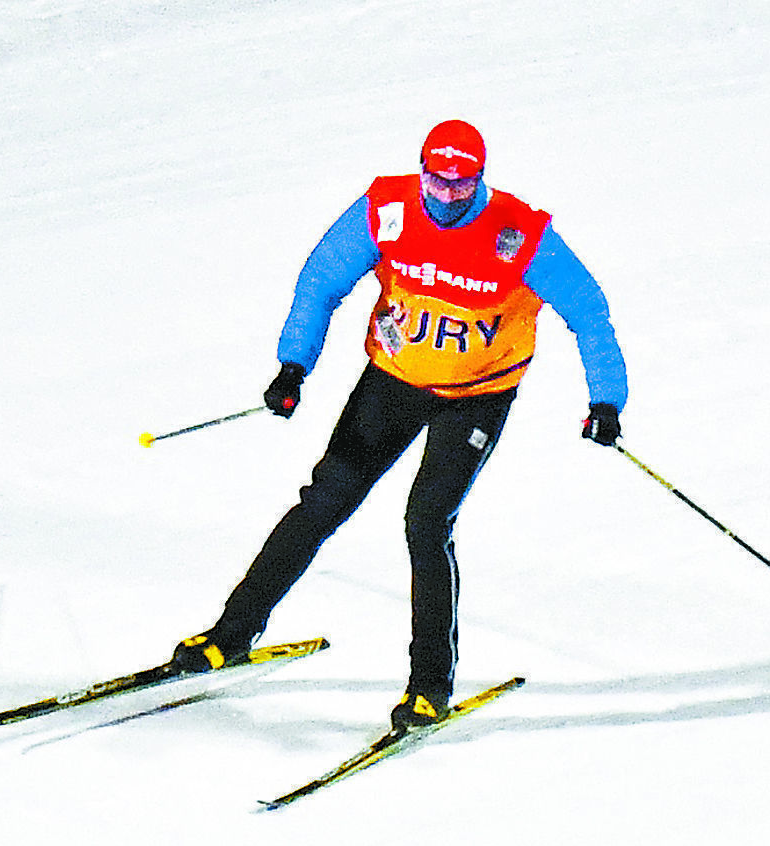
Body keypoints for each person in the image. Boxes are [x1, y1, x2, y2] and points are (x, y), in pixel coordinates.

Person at [170, 118, 628, 730]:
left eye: (461, 188)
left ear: (479, 182)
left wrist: (606, 402)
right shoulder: (387, 208)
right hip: (393, 380)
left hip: (476, 396)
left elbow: (589, 312)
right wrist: (293, 365)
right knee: (324, 500)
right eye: (436, 184)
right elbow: (321, 281)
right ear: (422, 172)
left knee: (426, 521)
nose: (446, 199)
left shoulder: (519, 234)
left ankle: (429, 686)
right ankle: (230, 635)